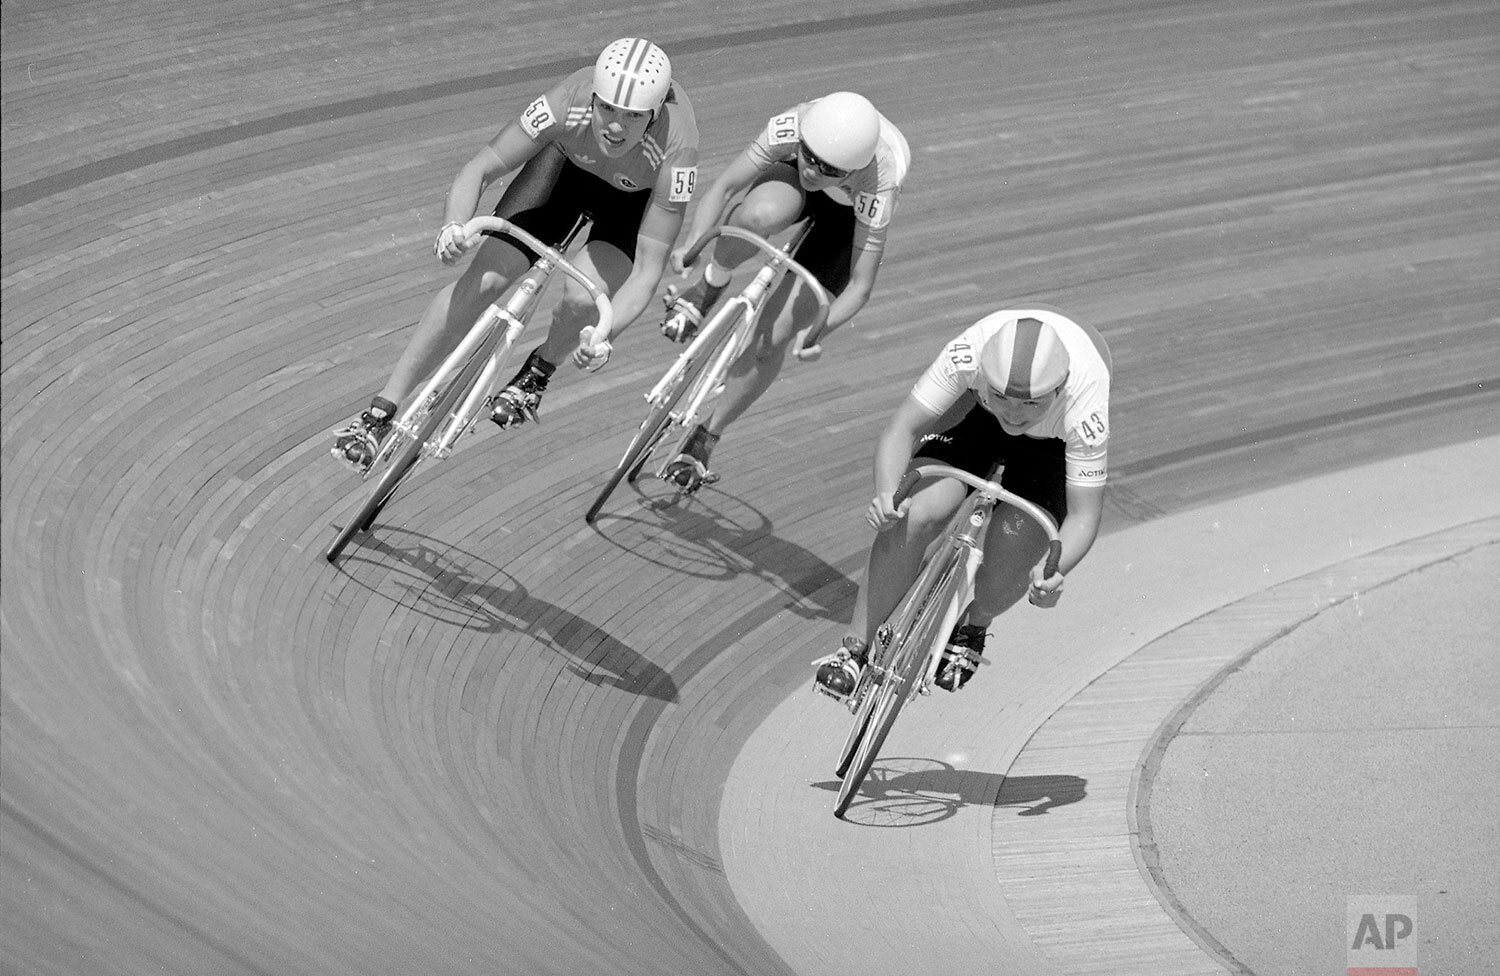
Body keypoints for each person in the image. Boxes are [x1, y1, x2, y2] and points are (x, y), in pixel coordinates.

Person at [332, 38, 700, 472]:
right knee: (483, 281)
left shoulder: (678, 151)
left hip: (628, 203)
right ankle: (380, 412)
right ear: (594, 98)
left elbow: (648, 271)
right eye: (607, 110)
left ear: (654, 115)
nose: (615, 127)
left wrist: (605, 333)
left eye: (633, 116)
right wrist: (454, 224)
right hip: (562, 170)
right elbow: (482, 167)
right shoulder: (567, 101)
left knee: (583, 302)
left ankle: (538, 371)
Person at [813, 307, 1112, 701]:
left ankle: (975, 623)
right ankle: (854, 648)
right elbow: (902, 427)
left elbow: (1084, 516)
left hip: (1051, 448)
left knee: (1013, 549)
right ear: (984, 375)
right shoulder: (967, 353)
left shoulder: (1085, 403)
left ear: (1060, 389)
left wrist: (1051, 572)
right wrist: (888, 495)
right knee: (914, 514)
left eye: (1030, 404)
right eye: (1003, 396)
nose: (1014, 413)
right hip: (976, 415)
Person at [654, 91, 910, 492]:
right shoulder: (794, 125)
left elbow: (860, 287)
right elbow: (724, 188)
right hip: (794, 181)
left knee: (771, 339)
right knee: (758, 214)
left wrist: (816, 334)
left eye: (827, 169)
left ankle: (706, 436)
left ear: (850, 169)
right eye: (808, 155)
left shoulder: (880, 184)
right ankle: (710, 287)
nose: (812, 170)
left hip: (848, 220)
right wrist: (694, 246)